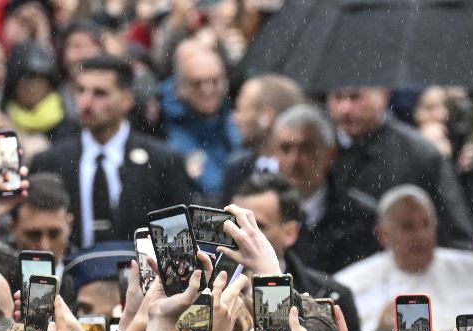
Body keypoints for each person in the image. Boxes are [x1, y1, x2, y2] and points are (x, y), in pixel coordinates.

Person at [336, 184, 473, 331]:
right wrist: (380, 330)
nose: (420, 235)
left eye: (426, 224)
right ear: (382, 234)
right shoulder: (351, 283)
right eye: (407, 227)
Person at [30, 54, 194, 246]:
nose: (85, 102)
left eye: (99, 93)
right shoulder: (49, 162)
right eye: (80, 90)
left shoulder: (163, 161)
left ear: (126, 99)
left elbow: (178, 241)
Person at [326, 87, 473, 251]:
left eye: (355, 97)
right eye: (337, 97)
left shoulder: (420, 154)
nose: (344, 108)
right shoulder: (314, 148)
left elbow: (458, 235)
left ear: (384, 95)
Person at [231, 173, 364, 331]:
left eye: (257, 226)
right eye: (235, 224)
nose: (243, 234)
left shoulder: (330, 295)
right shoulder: (206, 287)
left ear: (290, 233)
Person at [270, 104, 379, 274]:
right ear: (274, 154)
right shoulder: (263, 215)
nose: (294, 160)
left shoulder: (361, 216)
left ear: (330, 154)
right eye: (285, 149)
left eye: (305, 149)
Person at [160, 41, 239, 201]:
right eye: (197, 83)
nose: (207, 90)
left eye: (214, 81)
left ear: (226, 83)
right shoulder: (162, 129)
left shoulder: (236, 121)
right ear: (180, 88)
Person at [221, 73, 305, 203]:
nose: (235, 118)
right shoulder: (236, 169)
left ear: (266, 116)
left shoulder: (303, 170)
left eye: (240, 109)